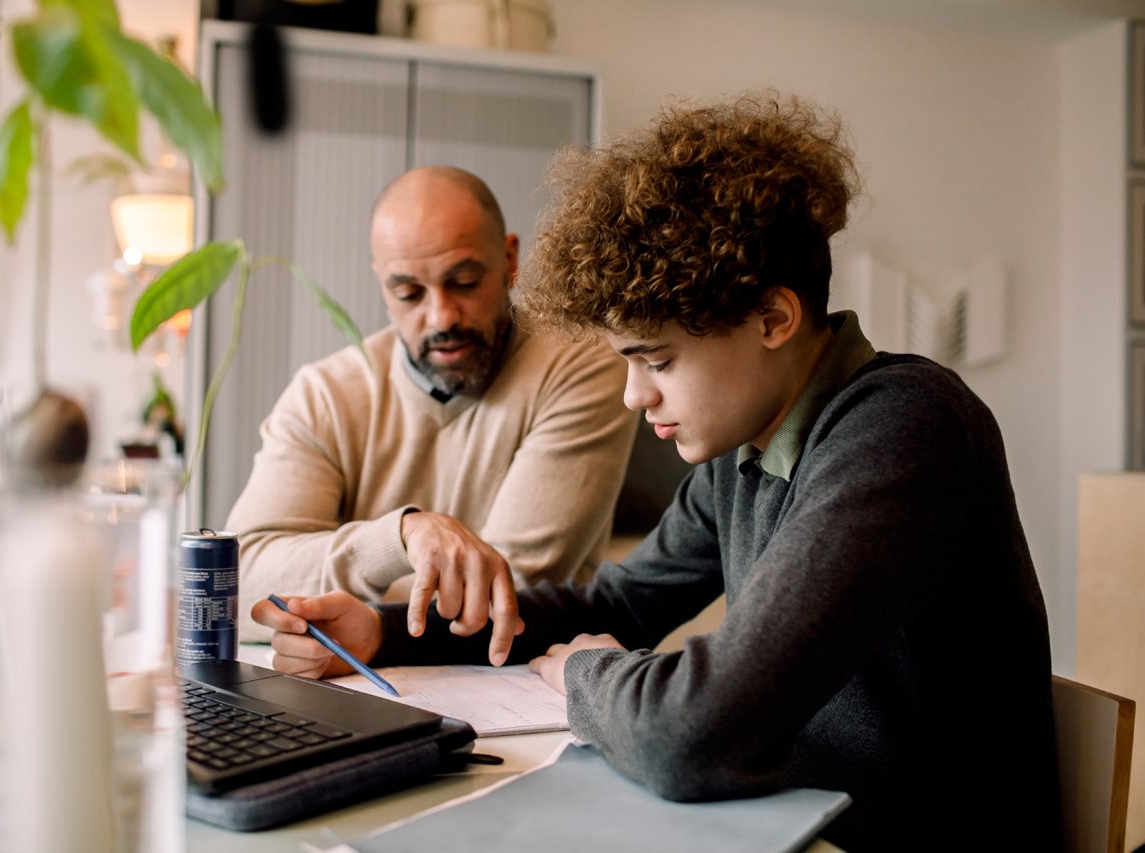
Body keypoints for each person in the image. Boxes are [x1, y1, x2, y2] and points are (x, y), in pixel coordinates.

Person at [250, 95, 1059, 850]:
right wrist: (381, 630)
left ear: (773, 318)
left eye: (657, 361)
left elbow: (694, 733)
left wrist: (584, 676)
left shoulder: (901, 427)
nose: (636, 396)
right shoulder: (745, 449)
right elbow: (618, 604)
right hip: (787, 825)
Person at [229, 166, 638, 656]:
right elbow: (238, 582)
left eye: (464, 282)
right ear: (382, 284)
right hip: (354, 685)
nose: (441, 316)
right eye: (409, 294)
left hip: (521, 688)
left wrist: (348, 614)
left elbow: (510, 589)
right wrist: (398, 537)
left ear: (510, 259)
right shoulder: (323, 395)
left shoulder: (581, 362)